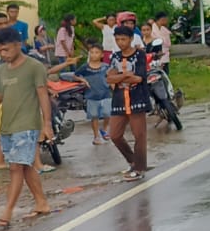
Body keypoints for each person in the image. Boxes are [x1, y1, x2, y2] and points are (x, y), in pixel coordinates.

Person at [0, 28, 52, 229]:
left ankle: (7, 211)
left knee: (15, 168)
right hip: (7, 127)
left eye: (6, 50)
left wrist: (47, 124)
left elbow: (43, 95)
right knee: (25, 165)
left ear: (18, 44)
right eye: (0, 51)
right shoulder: (1, 71)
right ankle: (42, 202)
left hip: (28, 125)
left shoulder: (34, 67)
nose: (3, 54)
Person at [106, 25, 151, 182]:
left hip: (137, 99)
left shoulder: (139, 55)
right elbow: (109, 78)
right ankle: (133, 160)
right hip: (119, 100)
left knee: (139, 135)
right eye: (117, 39)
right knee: (115, 135)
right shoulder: (115, 57)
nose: (120, 42)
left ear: (131, 39)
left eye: (123, 39)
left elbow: (139, 78)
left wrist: (119, 77)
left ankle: (139, 168)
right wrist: (125, 75)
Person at [59, 45, 112, 146]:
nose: (93, 55)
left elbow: (110, 77)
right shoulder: (85, 67)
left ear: (101, 55)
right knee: (94, 116)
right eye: (91, 52)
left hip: (106, 94)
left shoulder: (106, 66)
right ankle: (96, 136)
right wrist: (82, 80)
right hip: (91, 95)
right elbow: (75, 75)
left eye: (96, 52)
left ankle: (104, 129)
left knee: (107, 114)